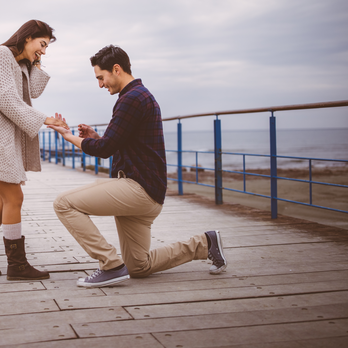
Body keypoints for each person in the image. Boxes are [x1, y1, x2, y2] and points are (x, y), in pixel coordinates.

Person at [48, 45, 228, 288]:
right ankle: (205, 244)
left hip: (138, 189)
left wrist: (67, 135)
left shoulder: (131, 98)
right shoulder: (138, 96)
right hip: (149, 192)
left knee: (63, 203)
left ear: (117, 69)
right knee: (138, 266)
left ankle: (109, 264)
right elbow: (117, 145)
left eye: (101, 78)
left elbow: (104, 151)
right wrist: (97, 138)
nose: (100, 85)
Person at [0, 19, 67, 281]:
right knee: (14, 198)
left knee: (5, 199)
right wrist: (46, 119)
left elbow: (35, 91)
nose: (44, 50)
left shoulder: (18, 62)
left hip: (1, 141)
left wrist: (36, 60)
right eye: (42, 44)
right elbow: (6, 100)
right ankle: (17, 265)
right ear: (28, 37)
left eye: (47, 46)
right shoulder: (0, 55)